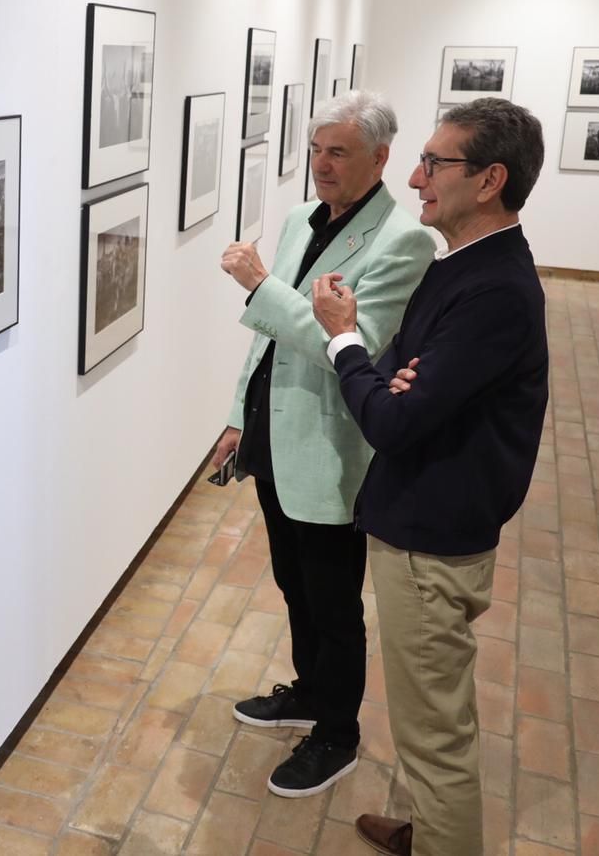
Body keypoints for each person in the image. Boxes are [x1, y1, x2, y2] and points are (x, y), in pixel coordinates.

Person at [309, 97, 550, 856]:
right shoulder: (464, 268)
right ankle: (422, 824)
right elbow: (397, 369)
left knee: (436, 730)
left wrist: (343, 340)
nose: (415, 177)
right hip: (423, 521)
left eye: (435, 163)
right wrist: (384, 373)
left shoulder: (496, 292)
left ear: (490, 181)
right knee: (431, 707)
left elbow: (389, 417)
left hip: (430, 542)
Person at [215, 91, 434, 798]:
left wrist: (260, 285)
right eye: (316, 150)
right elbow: (271, 335)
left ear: (379, 158)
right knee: (293, 585)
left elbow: (352, 349)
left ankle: (337, 733)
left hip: (333, 449)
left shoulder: (403, 242)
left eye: (338, 152)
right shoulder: (301, 218)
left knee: (333, 601)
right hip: (275, 434)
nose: (322, 165)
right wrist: (236, 415)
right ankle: (310, 693)